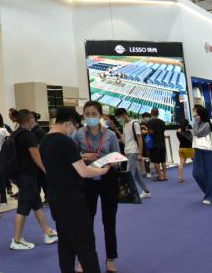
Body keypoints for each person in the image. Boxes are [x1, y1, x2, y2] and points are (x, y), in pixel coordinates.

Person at [40, 107, 109, 273]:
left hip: (55, 197)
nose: (75, 130)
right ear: (68, 124)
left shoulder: (44, 141)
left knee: (65, 242)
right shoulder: (65, 142)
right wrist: (103, 170)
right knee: (85, 243)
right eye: (75, 126)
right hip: (72, 199)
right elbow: (83, 172)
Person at [73, 101, 121, 273]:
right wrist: (84, 156)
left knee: (109, 221)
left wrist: (110, 162)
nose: (91, 117)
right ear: (83, 116)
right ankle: (84, 259)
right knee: (86, 223)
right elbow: (73, 156)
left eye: (94, 114)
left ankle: (110, 258)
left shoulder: (110, 135)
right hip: (87, 181)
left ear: (100, 115)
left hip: (108, 179)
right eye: (87, 114)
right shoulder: (78, 134)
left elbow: (118, 158)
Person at [9, 109, 57, 251]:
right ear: (30, 119)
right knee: (23, 208)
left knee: (37, 204)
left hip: (21, 175)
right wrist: (47, 170)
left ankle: (48, 232)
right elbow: (35, 155)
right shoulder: (28, 135)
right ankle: (17, 240)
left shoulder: (15, 134)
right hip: (27, 176)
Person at [119, 108, 151, 199]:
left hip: (134, 151)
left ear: (124, 114)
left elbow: (140, 139)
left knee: (130, 174)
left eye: (120, 116)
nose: (119, 119)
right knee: (136, 174)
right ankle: (146, 191)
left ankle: (132, 195)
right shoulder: (124, 124)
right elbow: (125, 139)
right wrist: (125, 151)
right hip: (128, 151)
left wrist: (140, 153)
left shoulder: (135, 123)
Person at [191, 105, 212, 205]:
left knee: (209, 174)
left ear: (201, 115)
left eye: (196, 115)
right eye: (194, 115)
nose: (195, 117)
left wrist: (196, 123)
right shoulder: (198, 124)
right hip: (198, 150)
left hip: (208, 151)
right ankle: (211, 192)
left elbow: (197, 133)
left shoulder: (206, 124)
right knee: (196, 173)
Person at [28, 111, 48, 203]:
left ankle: (47, 198)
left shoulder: (38, 131)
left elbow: (39, 146)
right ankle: (38, 199)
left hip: (41, 159)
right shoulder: (33, 130)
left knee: (43, 181)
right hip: (38, 159)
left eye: (30, 118)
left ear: (33, 119)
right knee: (39, 181)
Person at [147, 108, 167, 181]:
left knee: (156, 161)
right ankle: (165, 176)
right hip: (162, 143)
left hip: (154, 144)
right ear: (158, 113)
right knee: (163, 160)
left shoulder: (150, 122)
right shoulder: (162, 122)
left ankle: (160, 176)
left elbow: (151, 132)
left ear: (151, 113)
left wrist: (146, 131)